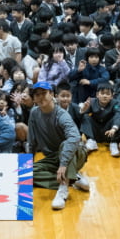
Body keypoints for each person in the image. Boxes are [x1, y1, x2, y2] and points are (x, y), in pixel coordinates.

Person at [27, 81, 89, 210]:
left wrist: (63, 164)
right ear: (34, 99)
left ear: (52, 94)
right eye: (37, 95)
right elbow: (32, 141)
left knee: (66, 144)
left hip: (75, 154)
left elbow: (75, 138)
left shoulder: (61, 114)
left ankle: (63, 188)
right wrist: (27, 164)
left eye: (44, 93)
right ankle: (73, 178)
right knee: (27, 174)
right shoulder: (34, 113)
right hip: (54, 157)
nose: (40, 97)